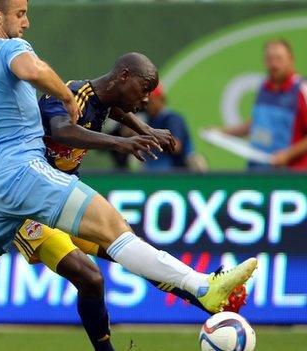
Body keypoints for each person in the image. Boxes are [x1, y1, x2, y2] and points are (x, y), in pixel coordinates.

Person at [0, 1, 257, 350]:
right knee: (113, 228)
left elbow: (99, 103)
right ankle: (204, 287)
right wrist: (66, 95)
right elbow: (33, 69)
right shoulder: (5, 49)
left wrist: (138, 128)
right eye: (20, 14)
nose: (25, 22)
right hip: (21, 168)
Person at [14, 60, 246, 350]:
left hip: (62, 203)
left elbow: (111, 107)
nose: (147, 98)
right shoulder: (70, 95)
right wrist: (118, 143)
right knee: (91, 277)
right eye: (143, 88)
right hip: (27, 207)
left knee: (136, 254)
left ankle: (212, 299)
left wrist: (143, 127)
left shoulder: (99, 102)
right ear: (123, 77)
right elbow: (61, 130)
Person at [220, 39, 307, 170]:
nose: (274, 65)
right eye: (270, 59)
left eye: (279, 59)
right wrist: (222, 134)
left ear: (291, 60)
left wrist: (288, 155)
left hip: (292, 176)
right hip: (258, 172)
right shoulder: (264, 88)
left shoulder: (303, 89)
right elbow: (256, 124)